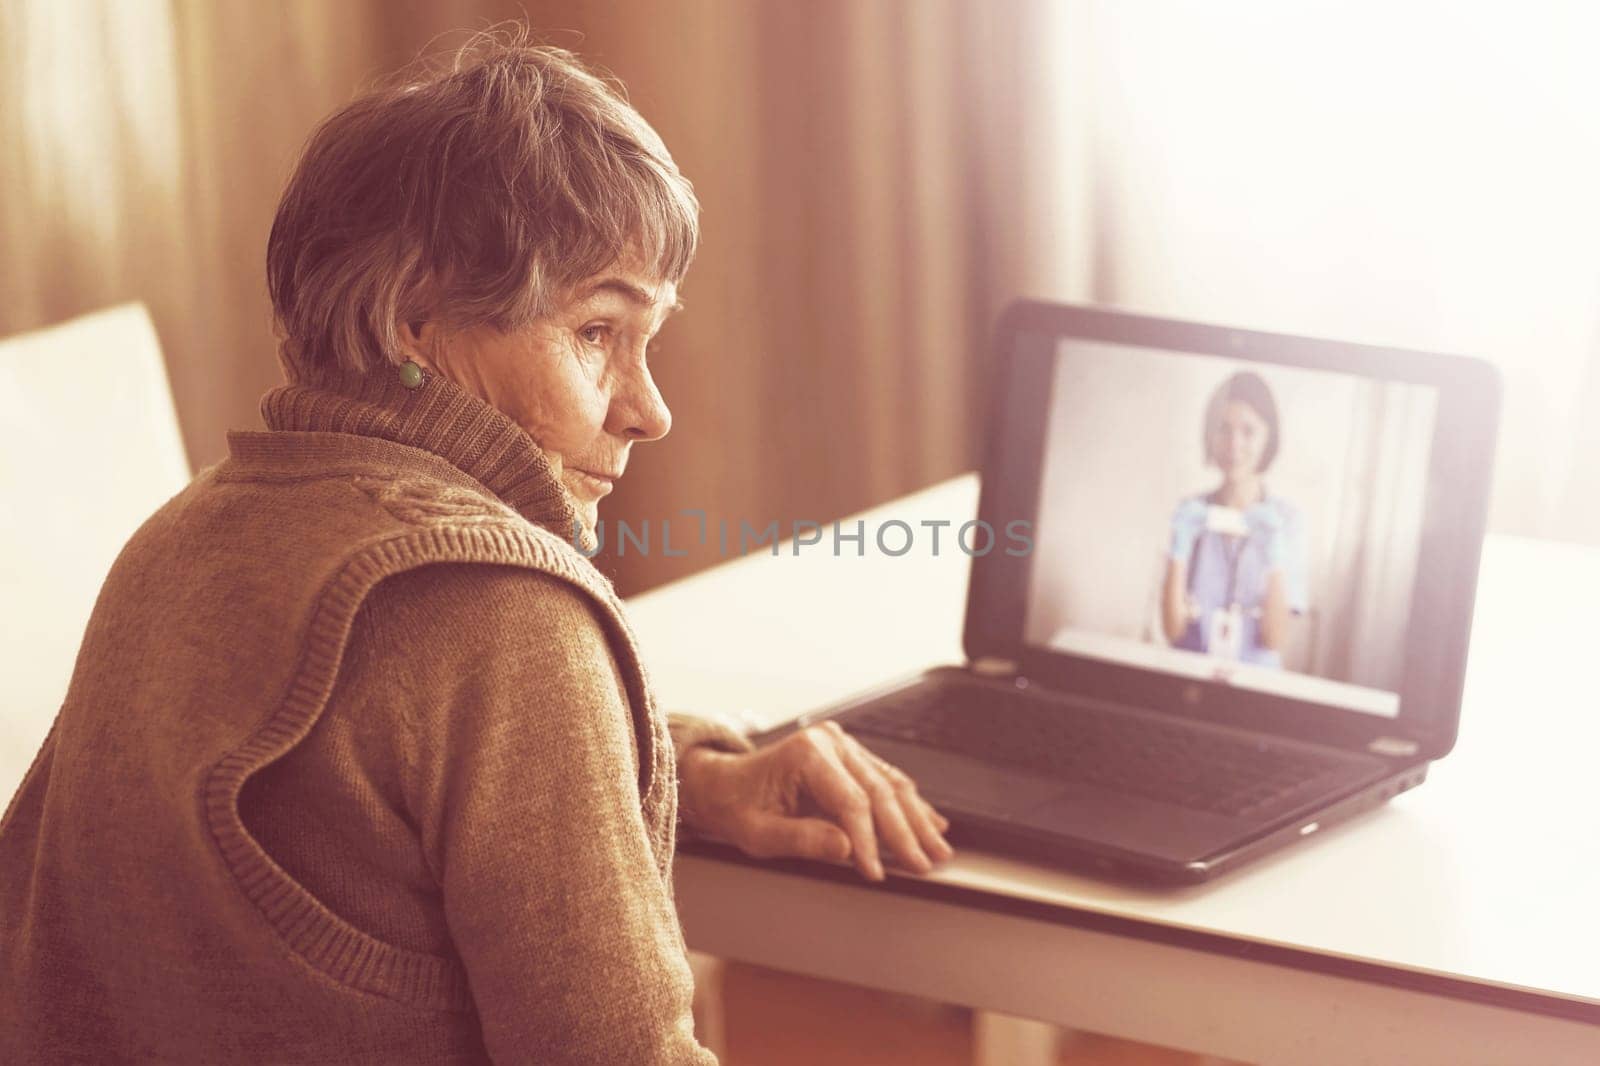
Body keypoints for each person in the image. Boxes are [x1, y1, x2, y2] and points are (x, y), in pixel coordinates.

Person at [0, 35, 951, 1064]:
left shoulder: (185, 535)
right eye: (596, 332)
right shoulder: (507, 614)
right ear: (419, 322)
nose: (650, 410)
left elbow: (375, 785)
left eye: (648, 338)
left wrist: (692, 775)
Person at [1160, 370, 1307, 668]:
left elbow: (1274, 640)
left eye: (1248, 431)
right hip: (1192, 676)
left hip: (1254, 689)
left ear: (1268, 437)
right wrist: (1178, 553)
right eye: (1223, 429)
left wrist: (1275, 562)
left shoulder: (1288, 521)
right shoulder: (1191, 514)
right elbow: (1172, 631)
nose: (1233, 444)